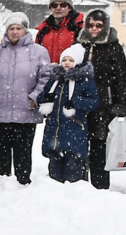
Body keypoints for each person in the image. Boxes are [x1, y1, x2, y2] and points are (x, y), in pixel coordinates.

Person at [0, 12, 48, 184]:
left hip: (26, 113)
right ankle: (0, 185)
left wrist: (34, 97)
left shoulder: (39, 52)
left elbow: (45, 79)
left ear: (25, 30)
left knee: (23, 153)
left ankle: (22, 185)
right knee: (0, 153)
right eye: (11, 28)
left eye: (19, 28)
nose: (15, 32)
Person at [77, 9, 126, 190]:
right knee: (79, 142)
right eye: (91, 25)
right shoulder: (79, 45)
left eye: (98, 25)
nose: (94, 29)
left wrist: (121, 103)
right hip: (81, 101)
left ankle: (100, 185)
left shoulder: (113, 46)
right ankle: (79, 183)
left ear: (105, 26)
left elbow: (122, 77)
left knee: (99, 143)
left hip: (103, 102)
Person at [37, 44, 99, 182]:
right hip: (54, 132)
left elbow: (94, 102)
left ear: (77, 62)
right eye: (64, 60)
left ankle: (73, 195)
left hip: (75, 132)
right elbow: (44, 96)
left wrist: (76, 102)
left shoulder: (84, 81)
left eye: (70, 60)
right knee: (54, 168)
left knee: (73, 169)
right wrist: (44, 98)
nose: (67, 63)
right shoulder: (55, 80)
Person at [36, 0, 83, 64]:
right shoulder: (43, 29)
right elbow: (36, 54)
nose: (58, 8)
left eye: (63, 5)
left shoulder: (79, 27)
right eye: (54, 5)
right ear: (51, 9)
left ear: (70, 8)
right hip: (47, 72)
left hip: (71, 72)